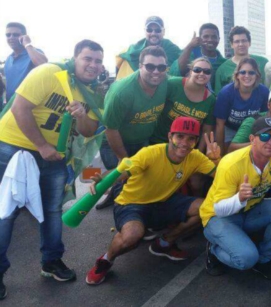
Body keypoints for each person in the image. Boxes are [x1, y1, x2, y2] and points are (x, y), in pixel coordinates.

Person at [0, 40, 104, 294]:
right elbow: (19, 107)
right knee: (6, 211)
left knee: (52, 210)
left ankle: (51, 260)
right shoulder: (49, 72)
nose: (93, 65)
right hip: (14, 147)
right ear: (75, 57)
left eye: (98, 61)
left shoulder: (91, 92)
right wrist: (41, 145)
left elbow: (89, 131)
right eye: (87, 59)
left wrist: (80, 115)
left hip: (54, 155)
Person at [85, 117, 221, 285]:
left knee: (208, 207)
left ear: (196, 141)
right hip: (132, 203)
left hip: (163, 201)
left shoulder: (195, 157)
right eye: (180, 136)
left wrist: (216, 159)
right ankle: (106, 260)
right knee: (132, 236)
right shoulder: (150, 153)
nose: (185, 143)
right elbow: (123, 172)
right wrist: (102, 180)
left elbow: (222, 176)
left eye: (191, 138)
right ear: (170, 136)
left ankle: (164, 243)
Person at [201, 116, 271, 281]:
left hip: (247, 212)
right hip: (218, 217)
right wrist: (239, 198)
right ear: (252, 139)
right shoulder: (231, 163)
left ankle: (265, 259)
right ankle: (214, 249)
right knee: (246, 260)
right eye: (265, 136)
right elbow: (219, 208)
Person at [96, 46, 169, 210]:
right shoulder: (122, 92)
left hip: (141, 140)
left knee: (138, 179)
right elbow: (111, 129)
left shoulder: (165, 82)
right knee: (122, 177)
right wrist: (123, 157)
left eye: (161, 67)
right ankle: (122, 215)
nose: (156, 71)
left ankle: (115, 198)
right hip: (114, 141)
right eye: (150, 66)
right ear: (140, 66)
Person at [150, 57, 216, 147]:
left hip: (187, 148)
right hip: (159, 141)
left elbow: (206, 130)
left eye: (206, 71)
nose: (202, 73)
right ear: (190, 71)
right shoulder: (173, 84)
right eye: (197, 70)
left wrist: (199, 153)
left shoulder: (211, 100)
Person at [213, 57, 269, 152]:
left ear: (257, 75)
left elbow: (265, 118)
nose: (247, 75)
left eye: (251, 72)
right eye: (243, 72)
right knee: (229, 154)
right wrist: (220, 151)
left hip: (251, 129)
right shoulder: (226, 92)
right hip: (230, 128)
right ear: (237, 75)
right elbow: (220, 124)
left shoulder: (264, 91)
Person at [115, 16, 181, 80]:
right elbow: (118, 63)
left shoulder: (173, 50)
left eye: (158, 30)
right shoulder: (132, 51)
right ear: (145, 31)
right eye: (149, 30)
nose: (153, 33)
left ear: (163, 31)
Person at [214, 26, 269, 94]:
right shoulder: (222, 69)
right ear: (231, 44)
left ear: (249, 43)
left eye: (244, 41)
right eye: (237, 41)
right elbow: (219, 95)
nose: (241, 44)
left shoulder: (263, 62)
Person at [3, 22, 48, 104]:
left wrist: (27, 44)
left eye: (15, 34)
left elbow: (44, 65)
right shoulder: (8, 59)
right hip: (10, 107)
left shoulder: (34, 53)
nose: (11, 37)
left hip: (28, 107)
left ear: (24, 36)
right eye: (8, 35)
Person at [176, 23, 227, 89]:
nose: (210, 40)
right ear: (199, 39)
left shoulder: (223, 62)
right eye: (206, 36)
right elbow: (181, 68)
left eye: (214, 37)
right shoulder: (191, 54)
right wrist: (190, 45)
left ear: (219, 39)